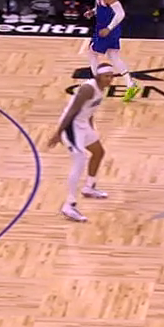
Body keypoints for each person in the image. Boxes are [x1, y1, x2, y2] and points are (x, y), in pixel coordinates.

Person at [50, 62, 115, 223]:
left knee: (98, 152)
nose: (110, 79)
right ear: (98, 76)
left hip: (83, 124)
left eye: (111, 76)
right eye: (106, 76)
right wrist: (58, 133)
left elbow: (90, 110)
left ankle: (89, 187)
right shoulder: (87, 89)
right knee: (80, 160)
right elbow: (72, 110)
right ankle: (69, 205)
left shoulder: (101, 89)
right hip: (71, 126)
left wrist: (91, 129)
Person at [86, 0, 137, 103]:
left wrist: (108, 28)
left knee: (91, 52)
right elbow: (103, 8)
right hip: (108, 29)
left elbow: (121, 14)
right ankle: (130, 84)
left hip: (107, 30)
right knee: (113, 57)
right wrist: (93, 12)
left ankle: (96, 85)